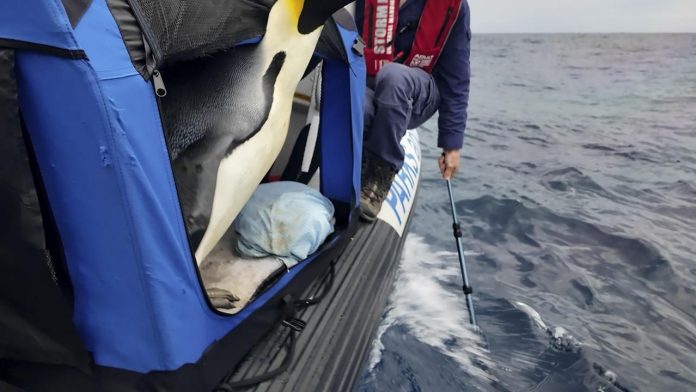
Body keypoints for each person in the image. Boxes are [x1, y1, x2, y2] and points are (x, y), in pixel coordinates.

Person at [356, 0, 471, 221]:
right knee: (357, 104)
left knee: (394, 76)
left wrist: (452, 145)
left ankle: (381, 173)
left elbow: (456, 81)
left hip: (418, 92)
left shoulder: (456, 7)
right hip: (370, 83)